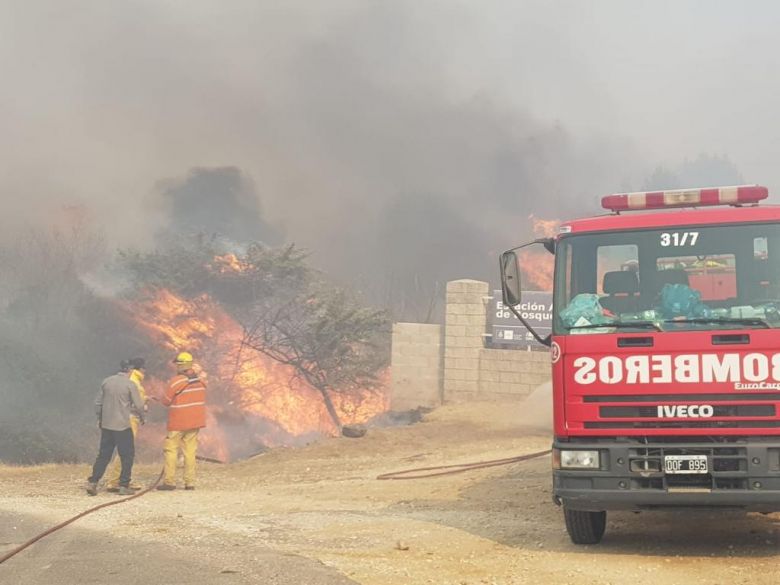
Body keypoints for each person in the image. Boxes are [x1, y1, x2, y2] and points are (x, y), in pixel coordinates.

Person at [86, 362, 145, 496]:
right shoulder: (130, 384)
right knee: (127, 456)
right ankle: (124, 485)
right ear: (129, 371)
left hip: (107, 426)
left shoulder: (107, 382)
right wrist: (142, 417)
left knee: (103, 455)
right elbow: (139, 405)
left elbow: (97, 403)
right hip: (123, 426)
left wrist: (100, 418)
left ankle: (93, 482)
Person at [158, 352, 207, 491]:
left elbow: (166, 401)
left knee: (171, 450)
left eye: (177, 364)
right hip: (195, 422)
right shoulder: (201, 381)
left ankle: (169, 482)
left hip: (178, 422)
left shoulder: (176, 381)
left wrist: (159, 399)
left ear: (181, 365)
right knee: (190, 452)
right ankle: (190, 483)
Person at [105, 357, 149, 492]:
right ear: (140, 368)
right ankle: (116, 482)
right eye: (144, 368)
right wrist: (143, 412)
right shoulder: (135, 381)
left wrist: (146, 398)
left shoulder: (129, 380)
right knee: (125, 451)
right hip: (130, 419)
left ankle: (116, 480)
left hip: (122, 417)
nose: (145, 371)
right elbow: (137, 404)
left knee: (123, 450)